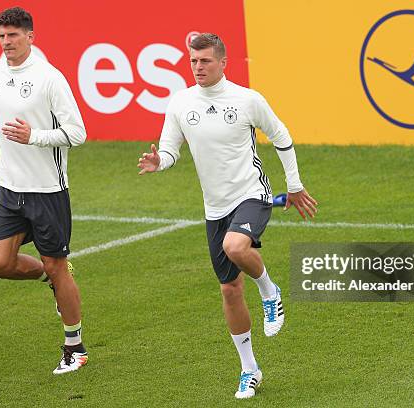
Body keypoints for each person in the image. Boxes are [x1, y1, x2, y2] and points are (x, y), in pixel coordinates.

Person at [138, 33, 317, 399]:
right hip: (214, 206)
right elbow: (171, 149)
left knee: (236, 246)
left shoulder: (247, 100)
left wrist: (294, 185)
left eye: (205, 61)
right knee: (230, 290)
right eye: (193, 61)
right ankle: (249, 370)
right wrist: (160, 163)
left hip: (252, 193)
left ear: (223, 62)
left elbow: (281, 136)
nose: (198, 67)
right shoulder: (181, 102)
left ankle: (269, 290)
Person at [0, 7, 88, 374]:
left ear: (30, 37)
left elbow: (78, 133)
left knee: (58, 264)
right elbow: (6, 116)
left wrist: (33, 137)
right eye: (2, 36)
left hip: (46, 190)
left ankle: (75, 348)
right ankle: (50, 280)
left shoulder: (50, 78)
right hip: (8, 186)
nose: (6, 43)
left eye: (13, 36)